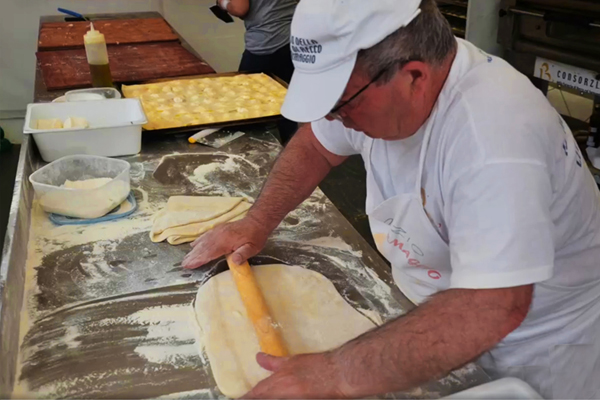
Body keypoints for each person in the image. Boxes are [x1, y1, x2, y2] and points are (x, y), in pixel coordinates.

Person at [184, 0, 600, 398]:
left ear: (414, 76)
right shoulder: (376, 87)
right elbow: (316, 145)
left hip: (531, 349)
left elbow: (493, 307)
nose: (333, 118)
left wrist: (335, 372)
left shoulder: (492, 138)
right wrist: (256, 221)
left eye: (341, 106)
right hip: (431, 313)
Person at [217, 0, 299, 144]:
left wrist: (223, 3)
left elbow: (239, 8)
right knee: (286, 102)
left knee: (245, 107)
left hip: (264, 42)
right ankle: (291, 151)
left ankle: (255, 155)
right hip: (292, 40)